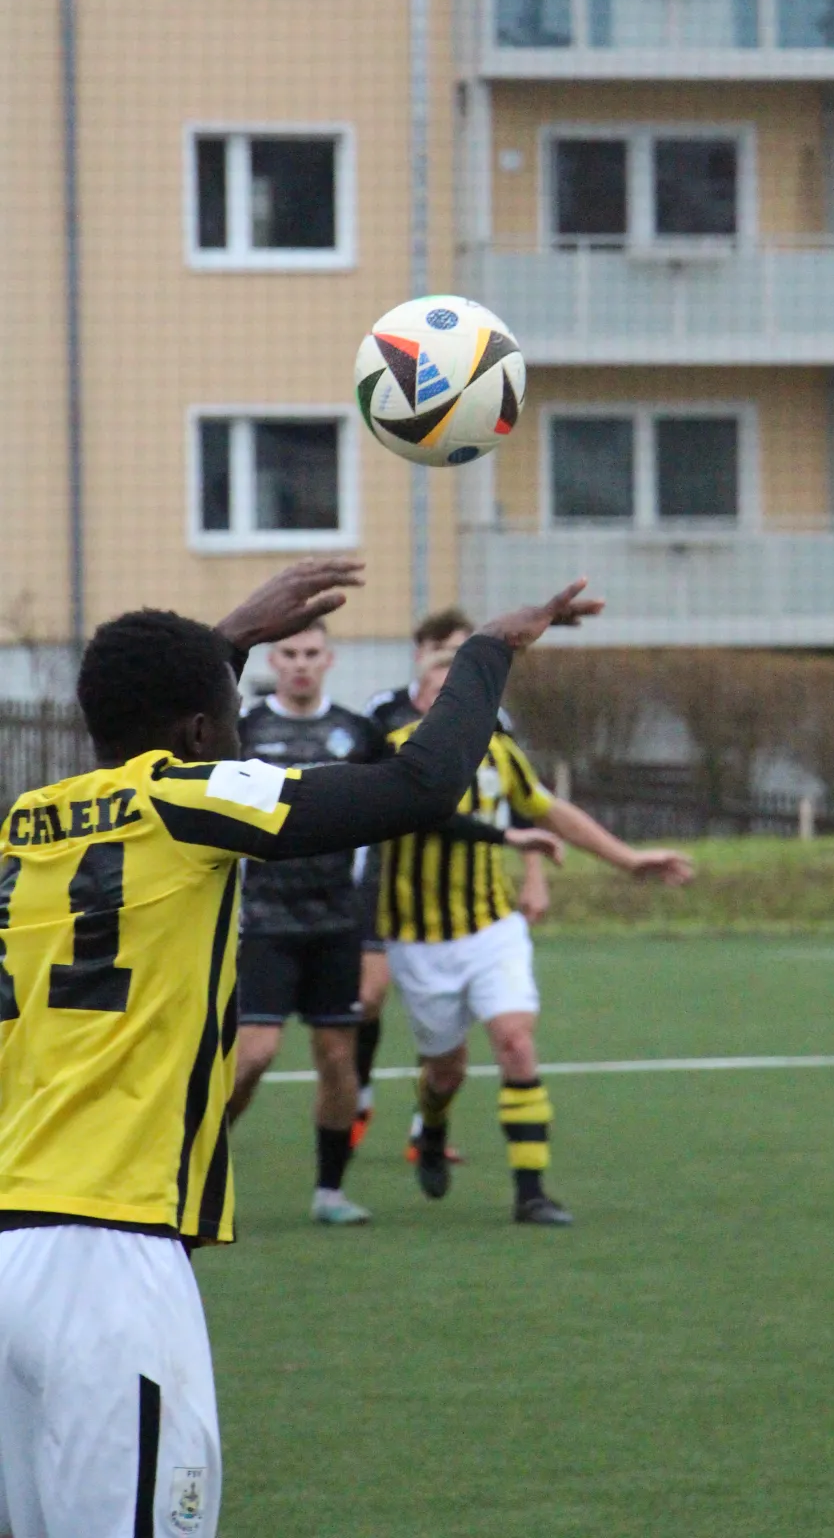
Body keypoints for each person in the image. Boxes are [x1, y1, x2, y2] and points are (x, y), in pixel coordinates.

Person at [0, 557, 600, 1538]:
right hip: (107, 1260)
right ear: (202, 734)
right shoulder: (190, 800)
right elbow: (419, 783)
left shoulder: (26, 824)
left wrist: (223, 642)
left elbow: (148, 731)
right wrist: (490, 650)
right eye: (228, 714)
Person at [379, 633, 695, 1226]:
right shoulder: (395, 753)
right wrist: (507, 837)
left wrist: (628, 860)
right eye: (439, 694)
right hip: (418, 941)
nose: (453, 706)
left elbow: (549, 810)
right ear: (419, 701)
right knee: (445, 1070)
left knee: (516, 1043)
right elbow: (426, 818)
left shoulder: (501, 754)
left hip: (491, 928)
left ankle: (531, 1193)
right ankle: (433, 1126)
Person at [227, 619, 385, 1226]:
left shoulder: (358, 733)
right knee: (253, 1055)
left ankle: (330, 1193)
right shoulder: (244, 730)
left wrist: (371, 936)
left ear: (329, 660)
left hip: (336, 924)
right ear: (273, 660)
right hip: (262, 920)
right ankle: (196, 1164)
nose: (300, 663)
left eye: (311, 653)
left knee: (338, 1058)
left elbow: (380, 829)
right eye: (289, 653)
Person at [350, 607, 470, 1149]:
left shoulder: (490, 716)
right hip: (387, 872)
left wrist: (533, 873)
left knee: (442, 1007)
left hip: (454, 885)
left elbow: (520, 804)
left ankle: (428, 1124)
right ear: (421, 653)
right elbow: (359, 782)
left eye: (463, 650)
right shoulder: (385, 712)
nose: (453, 660)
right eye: (443, 649)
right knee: (369, 994)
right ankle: (360, 1095)